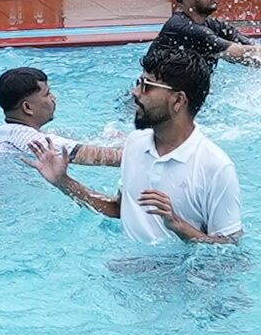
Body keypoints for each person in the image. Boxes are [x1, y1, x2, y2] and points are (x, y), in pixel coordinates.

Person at [33, 40, 244, 244]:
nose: (135, 93)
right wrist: (64, 182)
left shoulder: (215, 166)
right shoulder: (136, 143)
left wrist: (179, 226)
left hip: (178, 278)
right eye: (138, 83)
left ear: (178, 101)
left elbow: (228, 246)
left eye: (147, 86)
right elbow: (119, 209)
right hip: (127, 271)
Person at [0, 66, 119, 165]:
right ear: (27, 107)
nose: (53, 98)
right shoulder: (35, 142)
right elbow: (111, 158)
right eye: (47, 94)